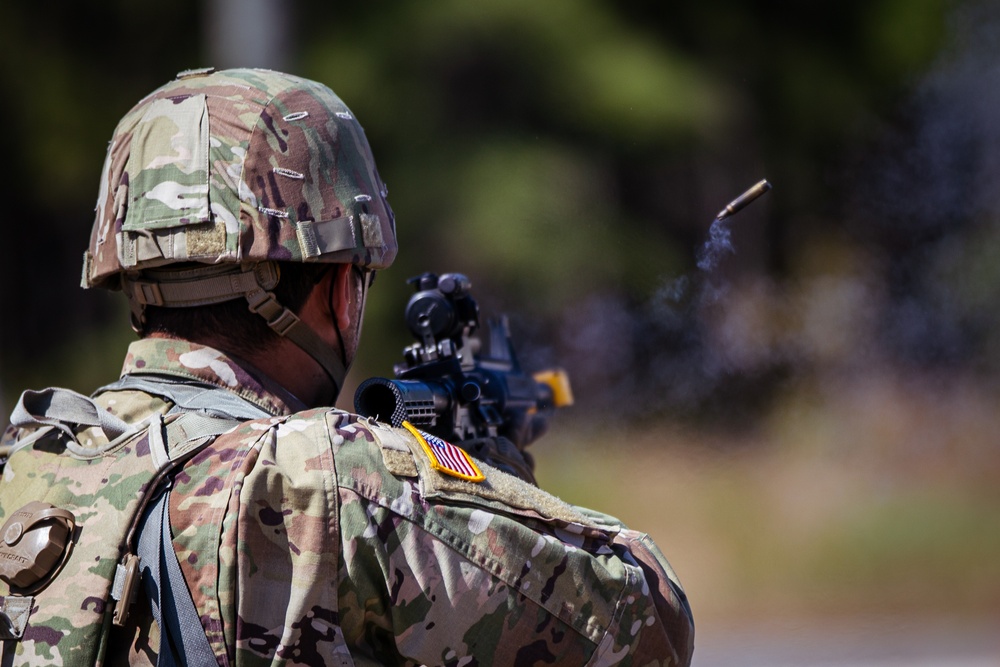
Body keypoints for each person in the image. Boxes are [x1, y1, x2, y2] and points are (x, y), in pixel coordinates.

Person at [0, 68, 693, 665]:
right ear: (337, 285)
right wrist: (488, 477)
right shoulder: (327, 475)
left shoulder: (25, 463)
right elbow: (650, 620)